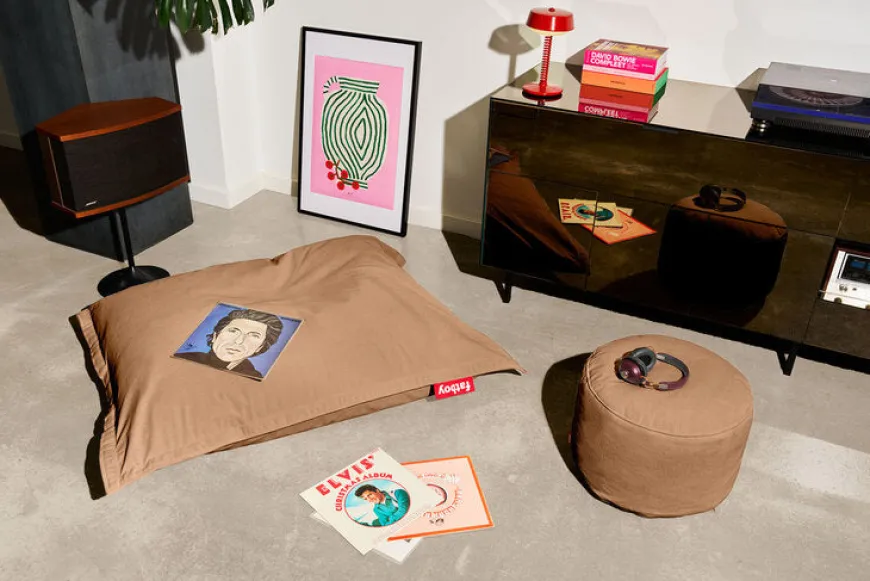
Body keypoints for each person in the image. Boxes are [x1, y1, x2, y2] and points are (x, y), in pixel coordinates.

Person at [176, 308, 284, 379]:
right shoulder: (184, 358)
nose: (238, 341)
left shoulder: (253, 377)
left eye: (253, 336)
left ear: (260, 347)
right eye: (233, 331)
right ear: (215, 336)